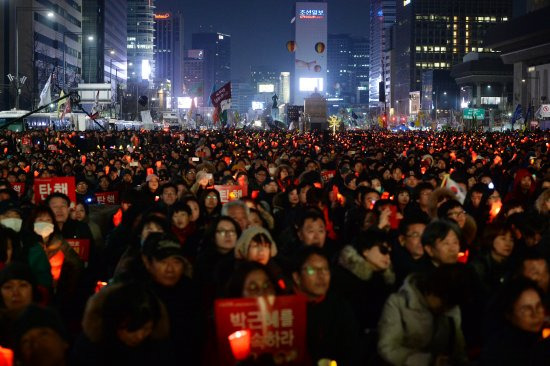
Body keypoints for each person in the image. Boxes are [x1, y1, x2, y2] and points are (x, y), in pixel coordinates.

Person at [377, 264, 469, 366]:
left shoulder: (450, 308)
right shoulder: (399, 303)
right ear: (432, 291)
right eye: (444, 303)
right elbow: (388, 348)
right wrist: (428, 361)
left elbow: (458, 347)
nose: (446, 309)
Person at [72, 282, 175, 366]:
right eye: (132, 329)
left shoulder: (157, 349)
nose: (140, 336)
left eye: (146, 328)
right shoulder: (90, 348)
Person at [292, 247, 360, 366]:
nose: (321, 276)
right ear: (297, 277)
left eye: (325, 270)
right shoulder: (286, 307)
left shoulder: (340, 306)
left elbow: (352, 350)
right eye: (312, 270)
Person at [479, 278, 546, 366]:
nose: (535, 314)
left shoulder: (540, 340)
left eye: (539, 306)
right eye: (526, 309)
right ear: (509, 314)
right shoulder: (501, 352)